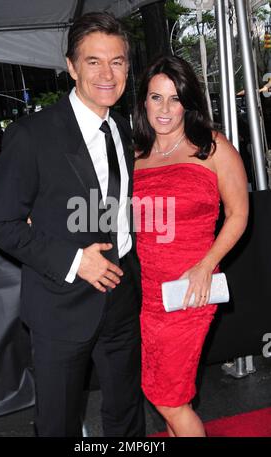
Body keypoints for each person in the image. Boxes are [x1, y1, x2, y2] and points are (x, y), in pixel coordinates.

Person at [0, 12, 145, 437]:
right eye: (93, 61)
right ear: (72, 67)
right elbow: (1, 224)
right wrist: (76, 261)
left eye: (117, 61)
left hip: (123, 298)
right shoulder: (32, 134)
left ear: (128, 67)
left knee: (127, 416)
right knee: (58, 423)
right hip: (60, 304)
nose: (107, 74)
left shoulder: (123, 129)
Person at [132, 55, 249, 437]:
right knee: (159, 390)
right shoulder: (135, 156)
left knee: (170, 398)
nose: (164, 109)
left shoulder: (211, 147)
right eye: (155, 98)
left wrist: (206, 264)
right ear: (143, 101)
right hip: (147, 294)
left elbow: (238, 214)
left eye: (174, 98)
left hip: (190, 290)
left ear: (188, 102)